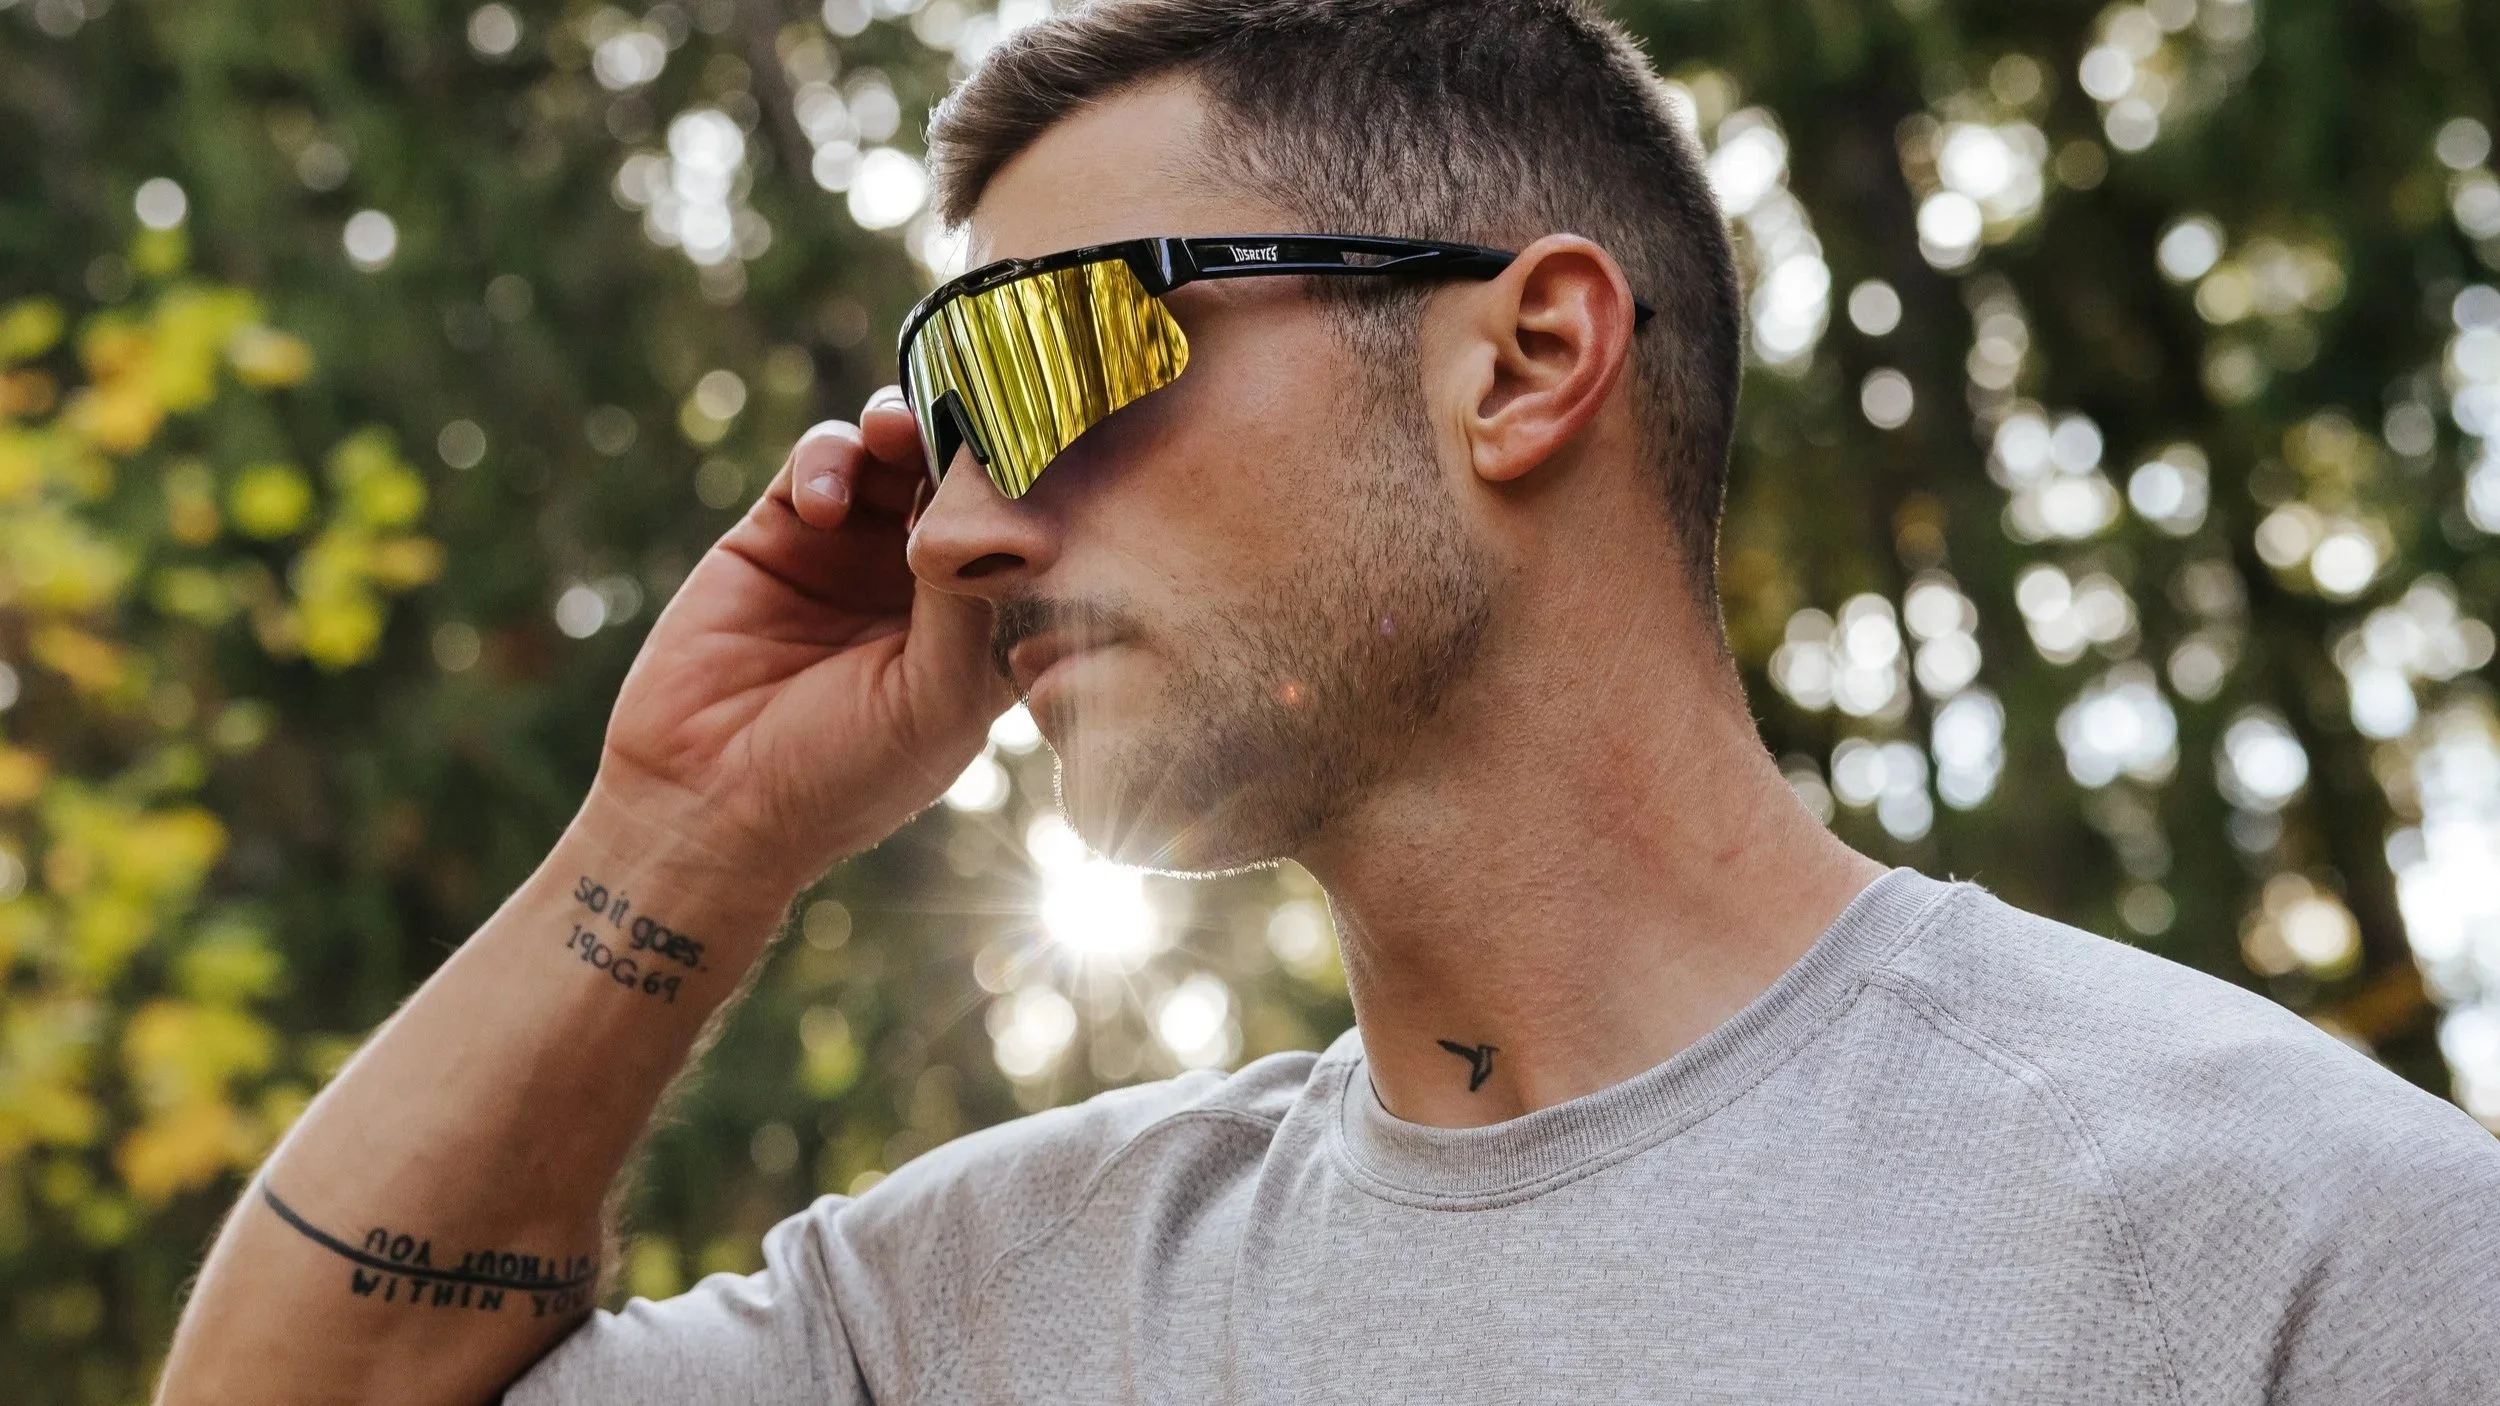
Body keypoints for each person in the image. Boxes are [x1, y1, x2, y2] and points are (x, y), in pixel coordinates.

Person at [158, 1, 2500, 1402]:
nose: (958, 522)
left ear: (1527, 358)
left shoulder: (2282, 1249)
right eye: (940, 407)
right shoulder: (997, 1303)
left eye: (1052, 354)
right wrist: (678, 828)